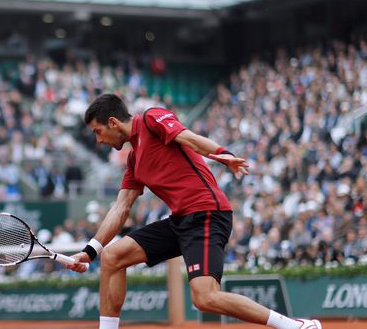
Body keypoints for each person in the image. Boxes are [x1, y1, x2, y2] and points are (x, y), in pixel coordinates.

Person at [66, 94, 321, 329]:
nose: (98, 140)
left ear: (112, 122)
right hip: (180, 221)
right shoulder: (134, 160)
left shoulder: (151, 118)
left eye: (98, 132)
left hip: (207, 213)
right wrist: (91, 251)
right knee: (111, 257)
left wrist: (223, 154)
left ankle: (295, 326)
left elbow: (188, 137)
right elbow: (121, 207)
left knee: (205, 298)